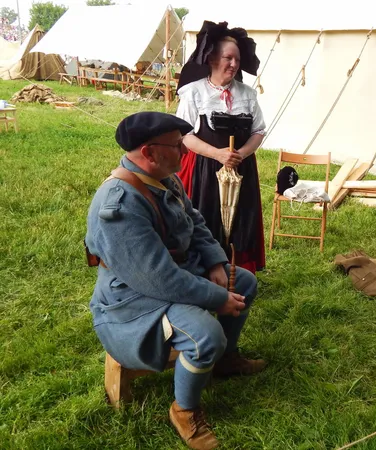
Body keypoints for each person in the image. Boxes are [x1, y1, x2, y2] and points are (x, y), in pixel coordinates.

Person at [85, 111, 266, 450]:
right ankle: (184, 409)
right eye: (177, 145)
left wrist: (214, 260)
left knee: (242, 282)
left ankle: (224, 361)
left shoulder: (165, 178)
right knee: (205, 335)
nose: (184, 151)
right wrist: (215, 298)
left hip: (174, 275)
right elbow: (158, 279)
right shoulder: (120, 206)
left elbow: (193, 220)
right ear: (149, 153)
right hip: (133, 302)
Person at [176, 20, 266, 274]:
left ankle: (238, 272)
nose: (234, 64)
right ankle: (206, 270)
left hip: (241, 168)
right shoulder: (194, 93)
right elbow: (184, 134)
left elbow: (259, 130)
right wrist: (218, 154)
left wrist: (241, 154)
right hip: (205, 169)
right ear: (212, 58)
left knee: (240, 219)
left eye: (237, 59)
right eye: (228, 58)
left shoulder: (247, 94)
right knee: (207, 217)